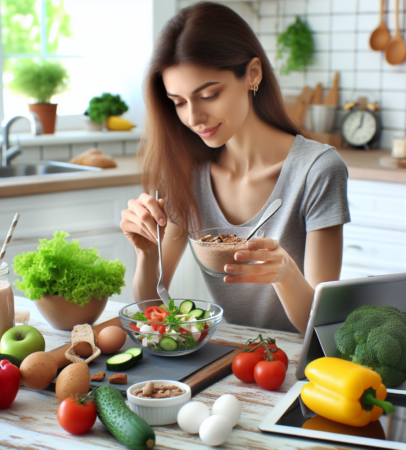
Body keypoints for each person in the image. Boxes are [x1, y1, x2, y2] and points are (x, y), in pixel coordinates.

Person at [119, 2, 350, 335]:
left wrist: (284, 273)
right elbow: (149, 312)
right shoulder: (188, 174)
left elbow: (320, 328)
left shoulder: (317, 170)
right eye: (179, 102)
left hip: (299, 367)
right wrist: (146, 254)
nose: (193, 118)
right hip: (231, 359)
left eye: (209, 94)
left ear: (252, 74)